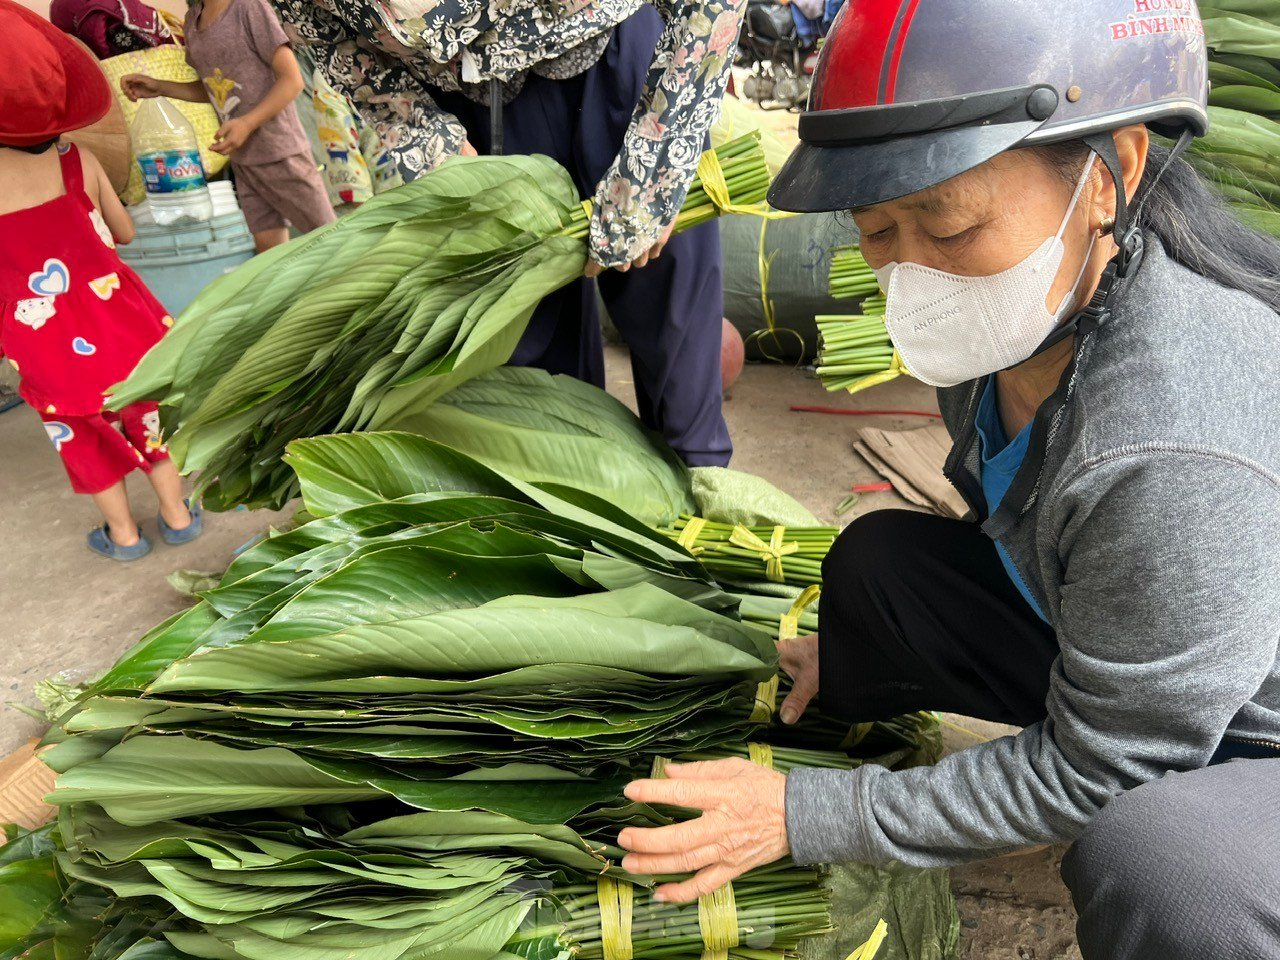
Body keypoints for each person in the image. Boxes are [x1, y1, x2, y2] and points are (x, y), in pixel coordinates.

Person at [616, 2, 1280, 958]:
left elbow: (1114, 767)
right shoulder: (1008, 332)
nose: (912, 271)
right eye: (878, 230)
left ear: (1112, 176)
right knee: (878, 566)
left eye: (949, 224)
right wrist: (854, 659)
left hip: (1255, 731)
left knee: (1161, 861)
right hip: (1169, 662)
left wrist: (805, 815)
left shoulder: (1173, 441)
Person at [262, 0, 740, 468]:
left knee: (668, 303)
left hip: (616, 67)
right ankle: (584, 512)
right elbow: (329, 36)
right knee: (526, 344)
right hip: (464, 105)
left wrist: (659, 158)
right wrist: (425, 135)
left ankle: (700, 493)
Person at [0, 0, 202, 560]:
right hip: (123, 326)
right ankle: (178, 516)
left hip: (43, 347)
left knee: (81, 434)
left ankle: (125, 536)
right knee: (147, 417)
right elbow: (125, 233)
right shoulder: (78, 162)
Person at [119, 0, 335, 252]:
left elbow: (292, 80)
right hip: (243, 161)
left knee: (329, 239)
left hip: (280, 151)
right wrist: (159, 87)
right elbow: (215, 89)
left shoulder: (249, 8)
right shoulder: (193, 22)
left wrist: (246, 123)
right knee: (269, 251)